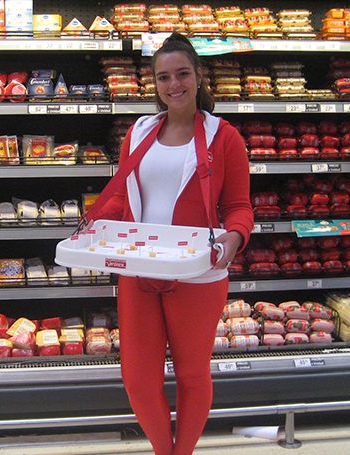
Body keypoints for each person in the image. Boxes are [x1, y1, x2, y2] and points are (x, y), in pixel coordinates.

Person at [85, 33, 253, 454]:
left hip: (197, 272)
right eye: (164, 77)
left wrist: (235, 236)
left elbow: (239, 206)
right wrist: (94, 224)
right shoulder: (140, 132)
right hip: (139, 265)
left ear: (198, 75)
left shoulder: (224, 137)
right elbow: (123, 196)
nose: (173, 84)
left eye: (182, 74)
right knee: (138, 380)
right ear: (154, 83)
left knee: (193, 375)